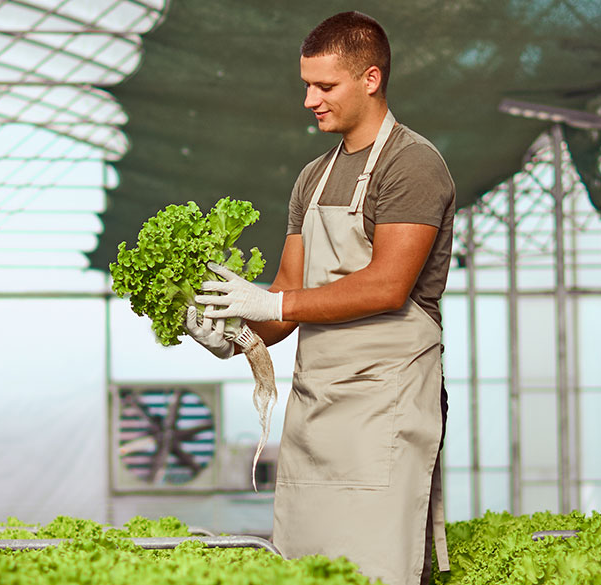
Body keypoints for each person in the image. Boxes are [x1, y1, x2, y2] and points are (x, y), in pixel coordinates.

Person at [185, 11, 457, 585]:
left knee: (383, 565)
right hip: (317, 410)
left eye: (324, 85)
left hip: (386, 404)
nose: (310, 98)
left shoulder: (413, 164)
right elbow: (286, 296)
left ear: (371, 79)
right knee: (307, 568)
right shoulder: (312, 178)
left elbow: (387, 285)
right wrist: (232, 334)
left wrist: (271, 306)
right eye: (307, 84)